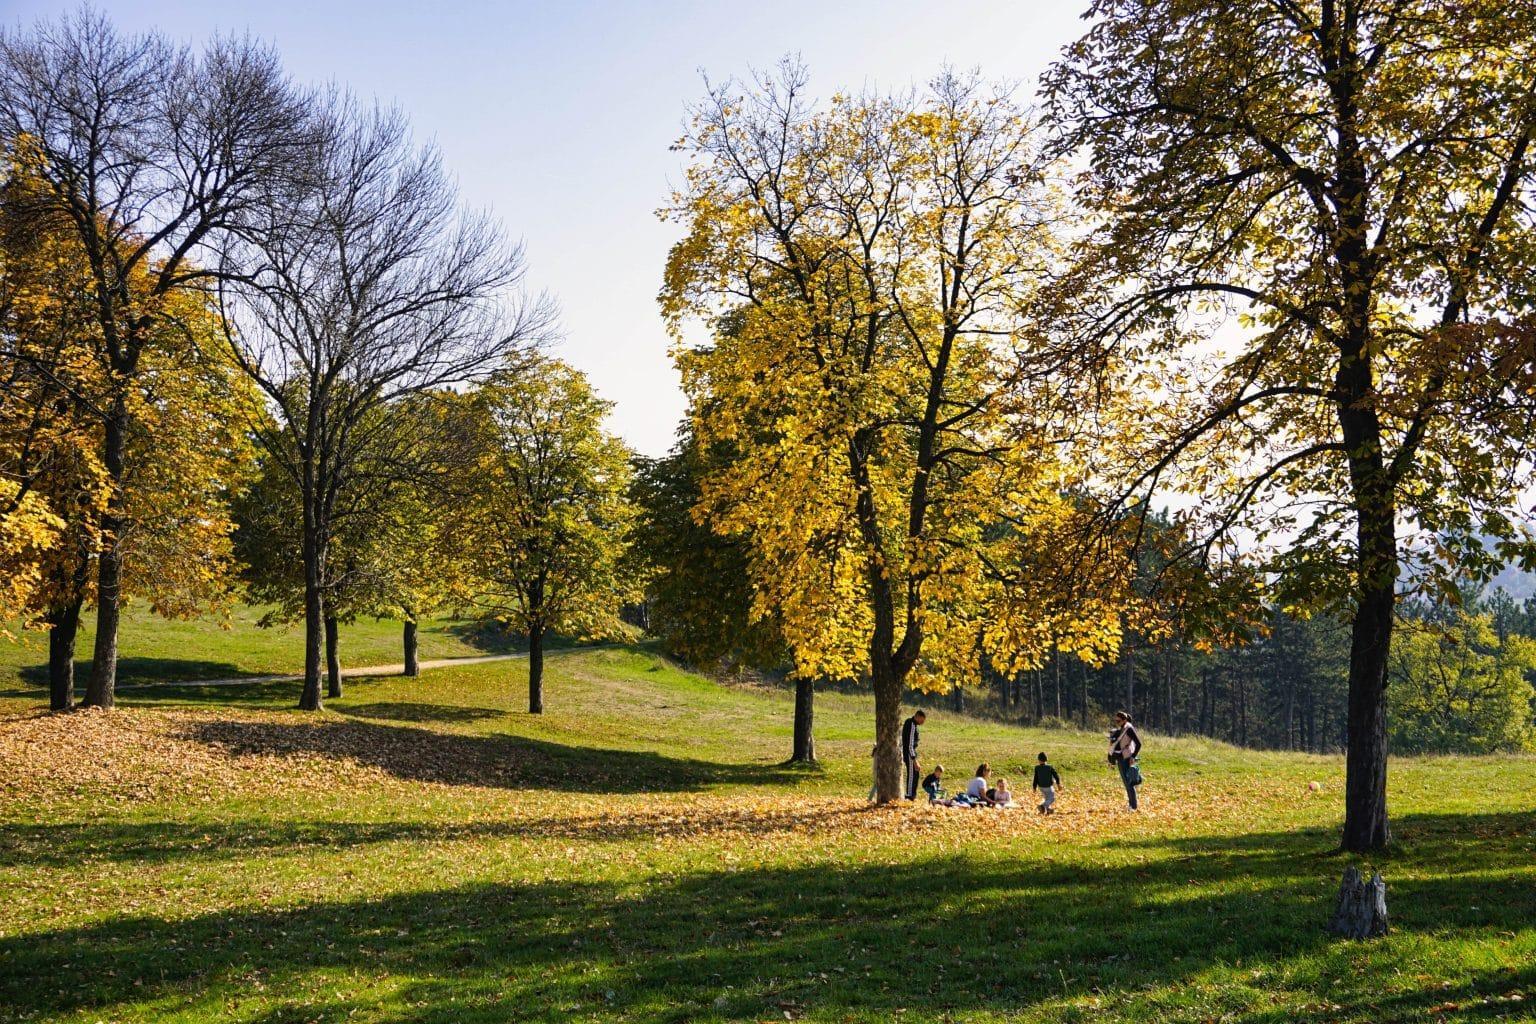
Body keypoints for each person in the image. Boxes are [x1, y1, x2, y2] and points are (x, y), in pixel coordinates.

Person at [1109, 711, 1143, 810]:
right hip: (1121, 757)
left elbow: (1138, 744)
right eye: (1116, 721)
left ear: (1124, 720)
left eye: (1118, 721)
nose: (1117, 723)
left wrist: (1133, 756)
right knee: (1127, 782)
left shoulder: (1129, 729)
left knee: (1129, 783)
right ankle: (1131, 804)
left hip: (1126, 758)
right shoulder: (1122, 728)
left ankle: (1133, 806)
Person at [901, 709, 926, 800]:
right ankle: (909, 795)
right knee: (912, 774)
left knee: (916, 773)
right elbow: (910, 745)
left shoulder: (912, 724)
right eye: (922, 720)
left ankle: (913, 795)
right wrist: (914, 760)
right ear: (917, 716)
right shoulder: (911, 725)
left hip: (911, 752)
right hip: (909, 754)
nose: (922, 722)